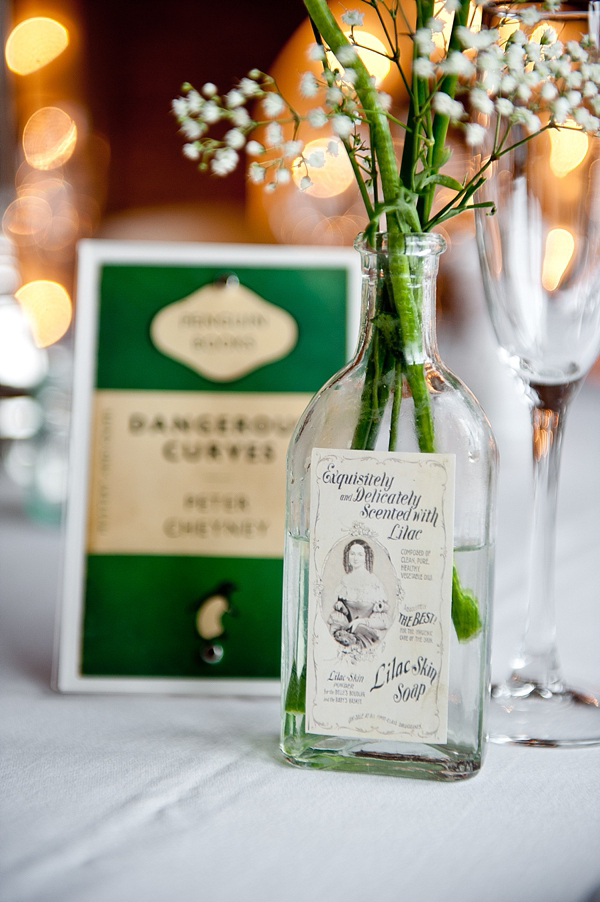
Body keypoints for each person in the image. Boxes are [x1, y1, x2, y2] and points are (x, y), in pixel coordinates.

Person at [328, 539, 390, 649]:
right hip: (347, 633)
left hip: (367, 634)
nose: (355, 558)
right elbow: (339, 614)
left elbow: (384, 621)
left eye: (360, 554)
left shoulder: (374, 583)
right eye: (352, 554)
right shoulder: (344, 582)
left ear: (366, 557)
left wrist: (361, 622)